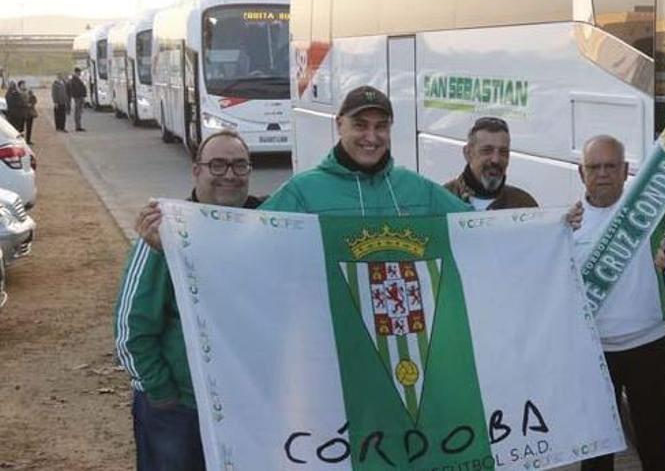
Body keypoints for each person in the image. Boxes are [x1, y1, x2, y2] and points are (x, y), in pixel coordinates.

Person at [114, 131, 261, 471]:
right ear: (196, 171)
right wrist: (162, 392)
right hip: (181, 407)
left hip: (245, 405)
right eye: (218, 165)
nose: (229, 175)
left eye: (239, 165)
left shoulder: (261, 226)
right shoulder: (161, 232)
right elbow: (131, 328)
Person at [574, 134, 665, 471]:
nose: (602, 173)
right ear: (580, 173)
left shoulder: (647, 209)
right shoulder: (566, 224)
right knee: (596, 458)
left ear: (626, 170)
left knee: (658, 450)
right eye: (594, 167)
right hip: (594, 355)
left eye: (610, 166)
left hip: (650, 348)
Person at [260, 85, 469, 216]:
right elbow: (251, 240)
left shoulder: (418, 189)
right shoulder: (301, 192)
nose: (371, 136)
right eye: (360, 125)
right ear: (339, 124)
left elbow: (476, 227)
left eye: (381, 126)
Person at [443, 116, 538, 210]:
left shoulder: (524, 205)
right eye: (487, 150)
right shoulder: (442, 200)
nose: (496, 160)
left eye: (503, 151)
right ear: (468, 153)